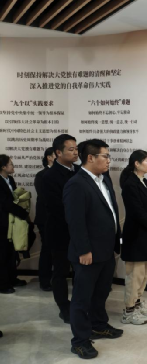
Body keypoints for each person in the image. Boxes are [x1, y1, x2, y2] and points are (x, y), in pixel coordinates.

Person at [64, 139, 122, 359]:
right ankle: (80, 341)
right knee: (82, 299)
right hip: (88, 254)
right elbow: (75, 221)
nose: (108, 160)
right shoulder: (76, 184)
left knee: (101, 293)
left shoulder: (103, 179)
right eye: (105, 156)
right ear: (90, 157)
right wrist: (84, 250)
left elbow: (111, 211)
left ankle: (98, 325)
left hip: (106, 250)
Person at [120, 150, 147, 325]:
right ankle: (128, 311)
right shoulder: (130, 184)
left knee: (144, 273)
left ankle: (137, 304)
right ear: (136, 163)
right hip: (136, 234)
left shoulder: (144, 181)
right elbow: (137, 211)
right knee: (135, 274)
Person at [42, 134, 80, 322]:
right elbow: (56, 207)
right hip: (60, 232)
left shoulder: (80, 171)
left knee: (81, 271)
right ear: (58, 152)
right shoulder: (48, 176)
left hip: (80, 232)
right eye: (71, 149)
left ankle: (80, 304)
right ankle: (64, 307)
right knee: (61, 271)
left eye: (76, 148)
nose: (75, 152)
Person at [0, 155, 29, 294]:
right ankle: (3, 284)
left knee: (12, 253)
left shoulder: (10, 179)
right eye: (10, 164)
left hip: (12, 223)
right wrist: (22, 213)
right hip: (2, 223)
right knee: (3, 253)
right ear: (3, 167)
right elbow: (6, 203)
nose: (13, 166)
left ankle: (12, 278)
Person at [34, 147, 56, 292]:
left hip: (59, 219)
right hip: (46, 219)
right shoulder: (42, 175)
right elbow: (45, 198)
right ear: (49, 157)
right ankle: (45, 280)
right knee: (47, 250)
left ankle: (57, 278)